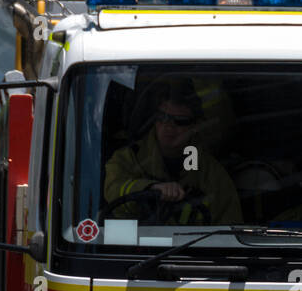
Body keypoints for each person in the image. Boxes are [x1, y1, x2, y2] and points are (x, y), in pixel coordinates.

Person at [103, 77, 242, 224]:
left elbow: (230, 227)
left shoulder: (212, 174)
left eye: (180, 121)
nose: (169, 126)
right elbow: (113, 190)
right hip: (135, 246)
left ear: (195, 126)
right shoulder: (128, 158)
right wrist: (150, 189)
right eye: (162, 117)